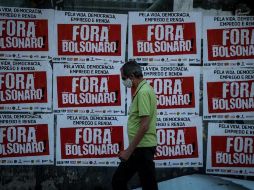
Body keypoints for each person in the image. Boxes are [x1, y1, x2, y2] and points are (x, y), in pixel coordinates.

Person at [112, 61, 158, 190]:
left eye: (123, 78)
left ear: (132, 76)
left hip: (142, 149)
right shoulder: (144, 89)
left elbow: (144, 125)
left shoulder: (143, 92)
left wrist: (128, 151)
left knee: (119, 181)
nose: (123, 81)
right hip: (142, 147)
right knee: (121, 181)